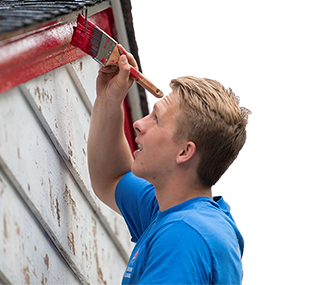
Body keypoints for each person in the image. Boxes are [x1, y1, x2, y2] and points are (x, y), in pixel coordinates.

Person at [87, 45, 250, 284]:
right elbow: (111, 178)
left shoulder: (184, 235)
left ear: (185, 151)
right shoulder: (173, 213)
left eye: (156, 119)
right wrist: (109, 100)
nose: (139, 124)